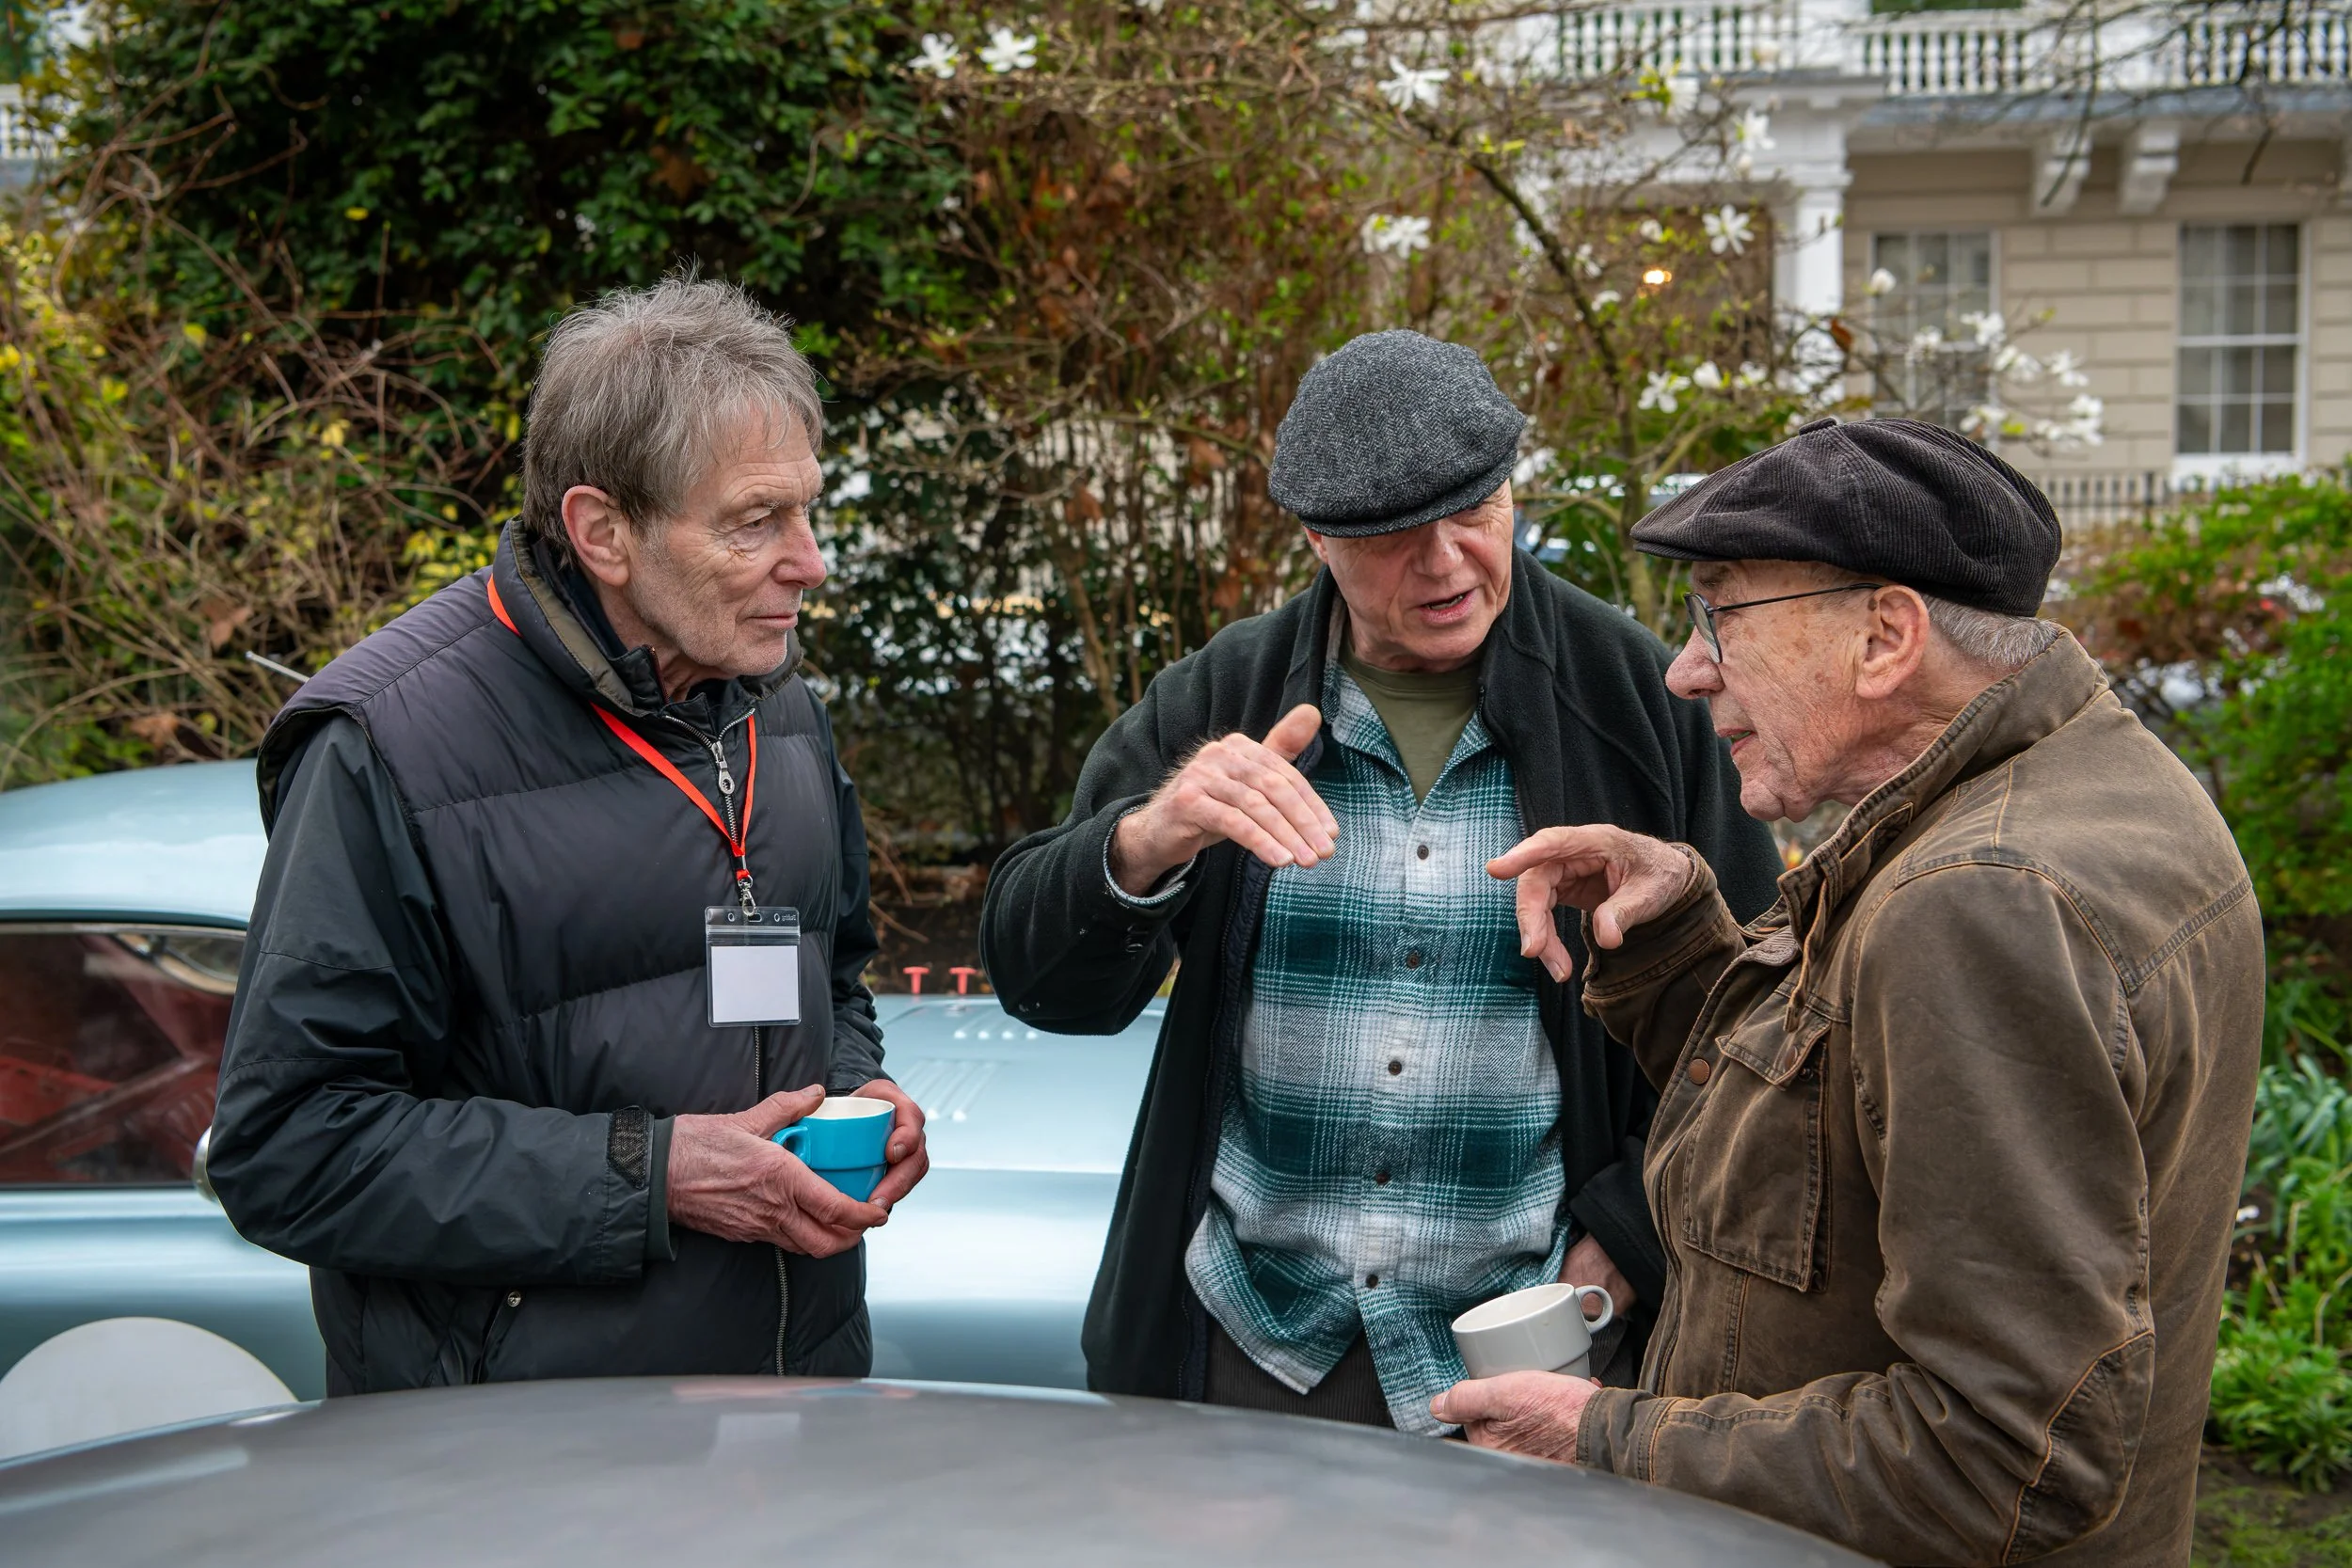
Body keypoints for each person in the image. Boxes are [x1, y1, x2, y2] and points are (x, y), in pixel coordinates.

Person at [1432, 419, 2264, 1566]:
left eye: (1720, 613)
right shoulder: (2086, 782)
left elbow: (2002, 1452)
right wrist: (1675, 932)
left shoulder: (1981, 898)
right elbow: (1838, 1150)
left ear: (1885, 635)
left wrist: (1603, 1436)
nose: (1685, 669)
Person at [980, 330, 1781, 1433]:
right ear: (1318, 537)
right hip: (1248, 1339)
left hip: (1535, 1343)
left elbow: (1760, 1024)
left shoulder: (1638, 701)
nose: (1448, 561)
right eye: (1397, 537)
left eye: (1476, 511)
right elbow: (1040, 981)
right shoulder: (1228, 691)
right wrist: (1148, 837)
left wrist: (1627, 1243)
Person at [210, 278, 927, 1391]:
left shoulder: (774, 701)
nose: (811, 560)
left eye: (807, 509)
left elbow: (828, 976)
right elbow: (291, 1149)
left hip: (792, 1407)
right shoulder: (383, 747)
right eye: (755, 522)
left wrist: (857, 1089)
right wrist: (652, 1174)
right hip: (529, 1455)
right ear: (603, 531)